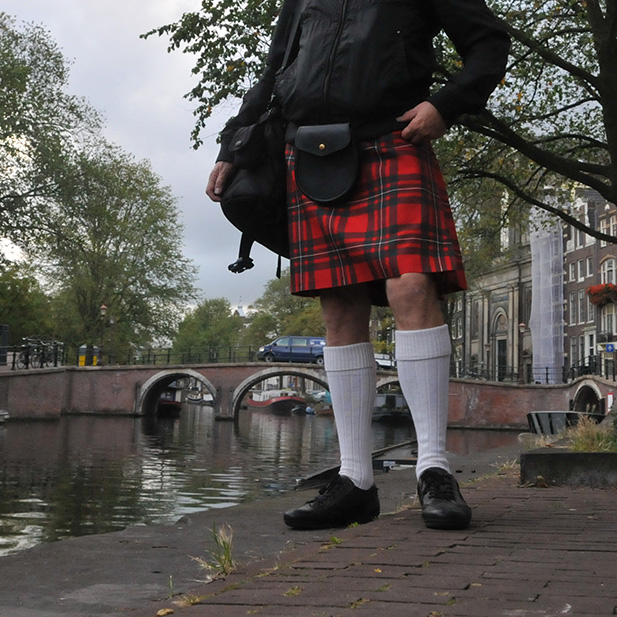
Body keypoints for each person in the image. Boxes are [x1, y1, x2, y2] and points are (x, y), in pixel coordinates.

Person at [207, 0, 510, 530]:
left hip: (394, 140)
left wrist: (447, 104)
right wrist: (235, 144)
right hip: (309, 150)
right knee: (339, 307)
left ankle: (434, 470)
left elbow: (489, 42)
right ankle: (354, 481)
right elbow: (274, 71)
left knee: (411, 287)